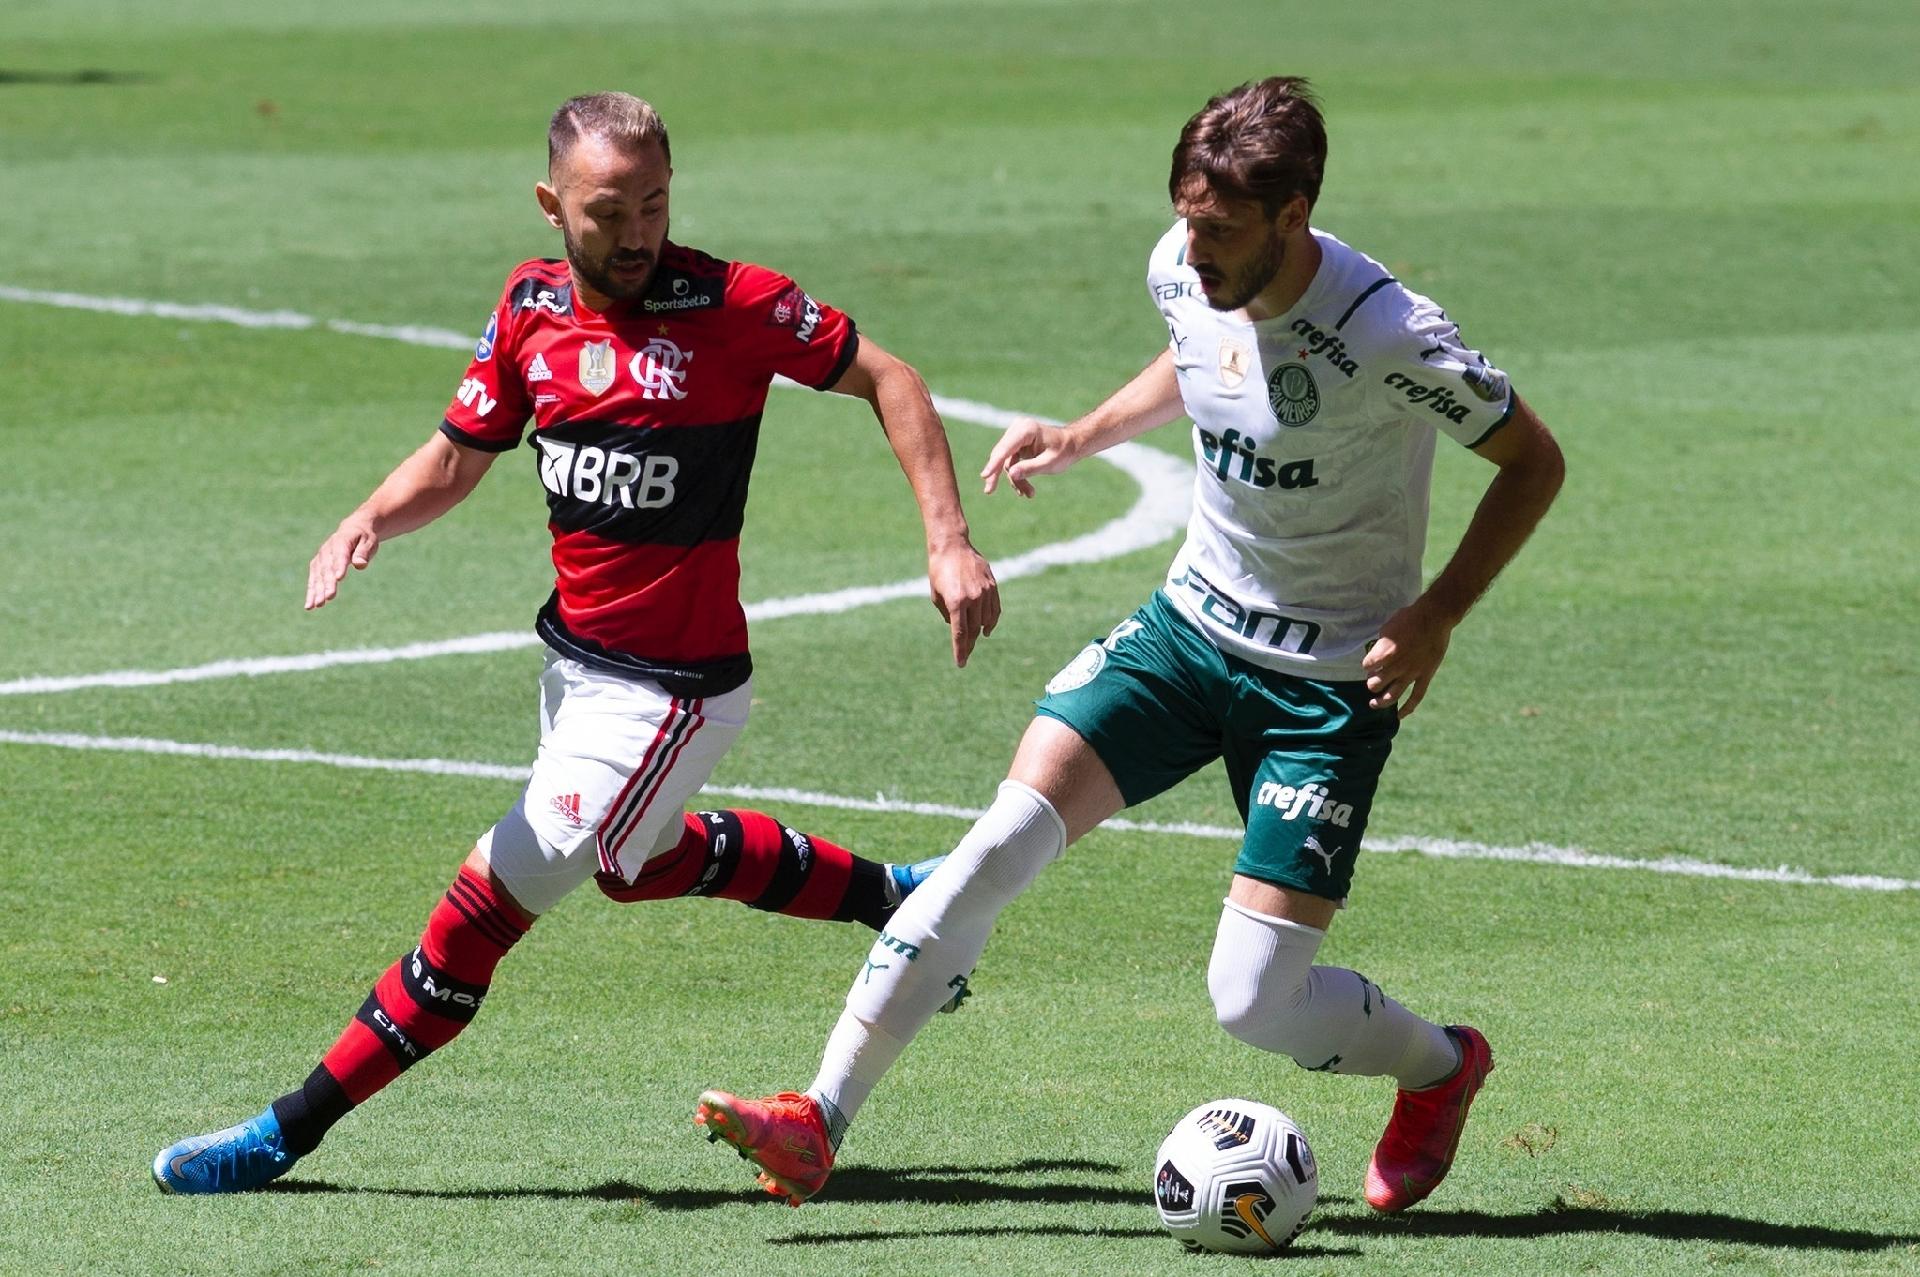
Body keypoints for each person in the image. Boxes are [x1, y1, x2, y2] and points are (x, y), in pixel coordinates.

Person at [697, 76, 1565, 1214]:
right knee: (996, 843)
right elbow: (1205, 356)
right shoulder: (1182, 267)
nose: (1193, 248)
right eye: (1187, 218)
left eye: (1221, 229)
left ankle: (1444, 1068)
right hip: (1187, 633)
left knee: (1253, 1001)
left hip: (1326, 685)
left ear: (1294, 215)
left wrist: (1437, 611)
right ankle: (819, 1117)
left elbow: (1532, 463)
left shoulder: (1391, 334)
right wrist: (1087, 429)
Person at [151, 91, 1000, 1195]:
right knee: (632, 864)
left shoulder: (733, 303)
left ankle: (282, 1133)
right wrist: (369, 516)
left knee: (482, 909)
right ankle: (896, 893)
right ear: (554, 205)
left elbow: (893, 377)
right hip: (575, 669)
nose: (639, 230)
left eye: (654, 202)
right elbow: (459, 454)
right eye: (610, 210)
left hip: (675, 689)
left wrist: (948, 541)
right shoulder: (530, 304)